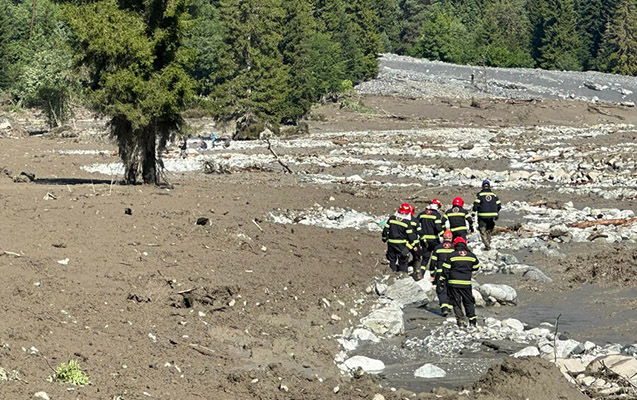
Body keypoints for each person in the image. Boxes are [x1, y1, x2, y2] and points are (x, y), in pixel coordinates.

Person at [441, 237, 480, 328]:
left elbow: (445, 269)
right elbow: (476, 267)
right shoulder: (471, 255)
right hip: (466, 283)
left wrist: (442, 279)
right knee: (468, 301)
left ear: (455, 245)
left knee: (456, 302)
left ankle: (461, 320)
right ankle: (472, 320)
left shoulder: (452, 255)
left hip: (453, 283)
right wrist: (467, 269)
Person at [382, 203, 419, 274]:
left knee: (392, 261)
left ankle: (392, 276)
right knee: (403, 262)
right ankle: (402, 277)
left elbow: (385, 231)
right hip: (402, 245)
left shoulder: (391, 218)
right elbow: (411, 236)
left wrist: (384, 239)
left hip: (391, 243)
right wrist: (414, 245)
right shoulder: (407, 222)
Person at [425, 230, 455, 316]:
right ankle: (449, 307)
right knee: (450, 290)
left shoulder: (438, 247)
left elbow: (433, 262)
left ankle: (444, 308)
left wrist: (432, 273)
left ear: (443, 238)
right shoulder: (454, 247)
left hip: (440, 273)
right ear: (451, 238)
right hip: (451, 273)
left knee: (441, 290)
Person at [472, 180, 501, 250]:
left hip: (482, 216)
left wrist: (473, 213)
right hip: (492, 216)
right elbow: (499, 205)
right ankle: (489, 242)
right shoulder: (494, 195)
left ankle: (487, 245)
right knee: (489, 230)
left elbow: (476, 205)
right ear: (489, 186)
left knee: (482, 230)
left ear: (482, 187)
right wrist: (496, 212)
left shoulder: (480, 195)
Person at [416, 198, 444, 270]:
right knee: (436, 256)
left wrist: (419, 234)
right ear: (437, 206)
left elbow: (415, 224)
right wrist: (442, 235)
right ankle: (434, 271)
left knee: (425, 258)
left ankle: (421, 271)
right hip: (434, 240)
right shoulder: (436, 215)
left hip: (423, 240)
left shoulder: (422, 214)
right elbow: (438, 227)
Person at [408, 204, 423, 275]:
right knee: (417, 257)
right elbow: (420, 231)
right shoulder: (414, 220)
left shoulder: (401, 220)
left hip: (403, 242)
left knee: (404, 258)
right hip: (414, 242)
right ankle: (417, 272)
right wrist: (424, 240)